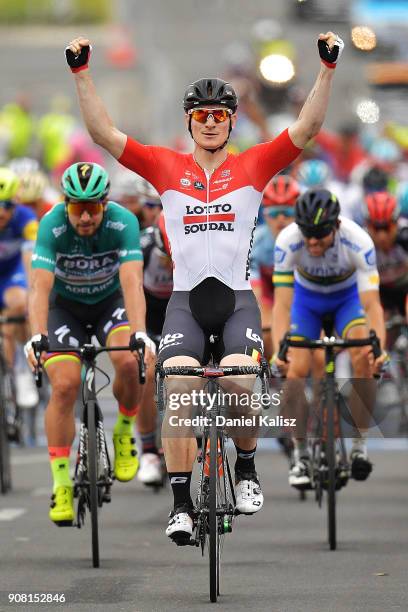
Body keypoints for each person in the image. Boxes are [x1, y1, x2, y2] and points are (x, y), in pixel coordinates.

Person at [65, 31, 344, 543]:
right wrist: (81, 73)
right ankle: (180, 504)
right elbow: (104, 133)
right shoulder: (166, 166)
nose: (211, 121)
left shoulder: (253, 165)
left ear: (232, 121)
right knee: (182, 393)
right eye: (202, 114)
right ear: (190, 120)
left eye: (220, 114)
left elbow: (307, 127)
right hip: (186, 305)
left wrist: (326, 68)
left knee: (240, 381)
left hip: (237, 301)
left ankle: (245, 469)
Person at [25, 162, 155, 525]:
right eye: (77, 208)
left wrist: (140, 331)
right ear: (65, 204)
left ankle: (125, 429)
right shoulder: (52, 225)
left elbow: (132, 283)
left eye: (93, 207)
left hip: (109, 305)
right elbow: (40, 287)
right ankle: (62, 483)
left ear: (105, 203)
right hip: (63, 309)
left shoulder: (123, 223)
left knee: (131, 363)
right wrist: (38, 334)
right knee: (65, 386)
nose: (84, 217)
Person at [271, 189, 387, 488]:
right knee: (295, 371)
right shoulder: (287, 241)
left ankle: (359, 445)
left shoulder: (358, 241)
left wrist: (380, 349)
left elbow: (372, 304)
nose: (311, 242)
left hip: (346, 299)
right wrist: (280, 350)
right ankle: (299, 453)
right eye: (307, 234)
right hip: (306, 302)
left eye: (320, 235)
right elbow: (282, 304)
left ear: (336, 226)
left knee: (364, 357)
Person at [137, 212, 173, 485]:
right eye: (165, 257)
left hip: (180, 307)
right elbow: (128, 287)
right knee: (147, 375)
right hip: (147, 310)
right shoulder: (145, 246)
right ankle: (149, 450)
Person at [250, 175, 300, 359]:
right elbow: (255, 289)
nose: (280, 219)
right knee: (266, 333)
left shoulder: (307, 240)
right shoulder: (256, 240)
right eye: (274, 213)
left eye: (287, 213)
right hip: (267, 294)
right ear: (265, 215)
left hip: (298, 292)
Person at [0, 168, 38, 403]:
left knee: (20, 304)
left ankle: (23, 371)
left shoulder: (26, 218)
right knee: (6, 330)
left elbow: (31, 259)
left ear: (15, 202)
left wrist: (33, 294)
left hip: (13, 276)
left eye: (6, 205)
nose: (0, 211)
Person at [364, 191, 408, 327]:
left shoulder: (405, 236)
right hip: (379, 291)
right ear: (368, 225)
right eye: (376, 228)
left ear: (396, 223)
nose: (382, 236)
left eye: (387, 227)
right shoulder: (362, 242)